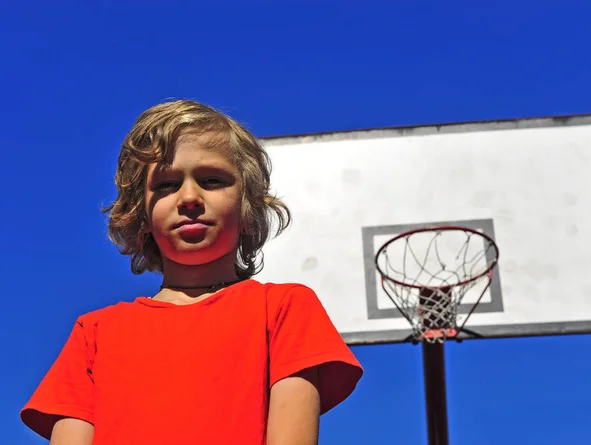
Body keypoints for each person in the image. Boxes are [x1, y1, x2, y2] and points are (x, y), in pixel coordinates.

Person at [20, 99, 363, 445]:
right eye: (166, 185)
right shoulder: (92, 334)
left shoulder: (283, 309)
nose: (189, 197)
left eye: (212, 180)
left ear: (247, 207)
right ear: (140, 216)